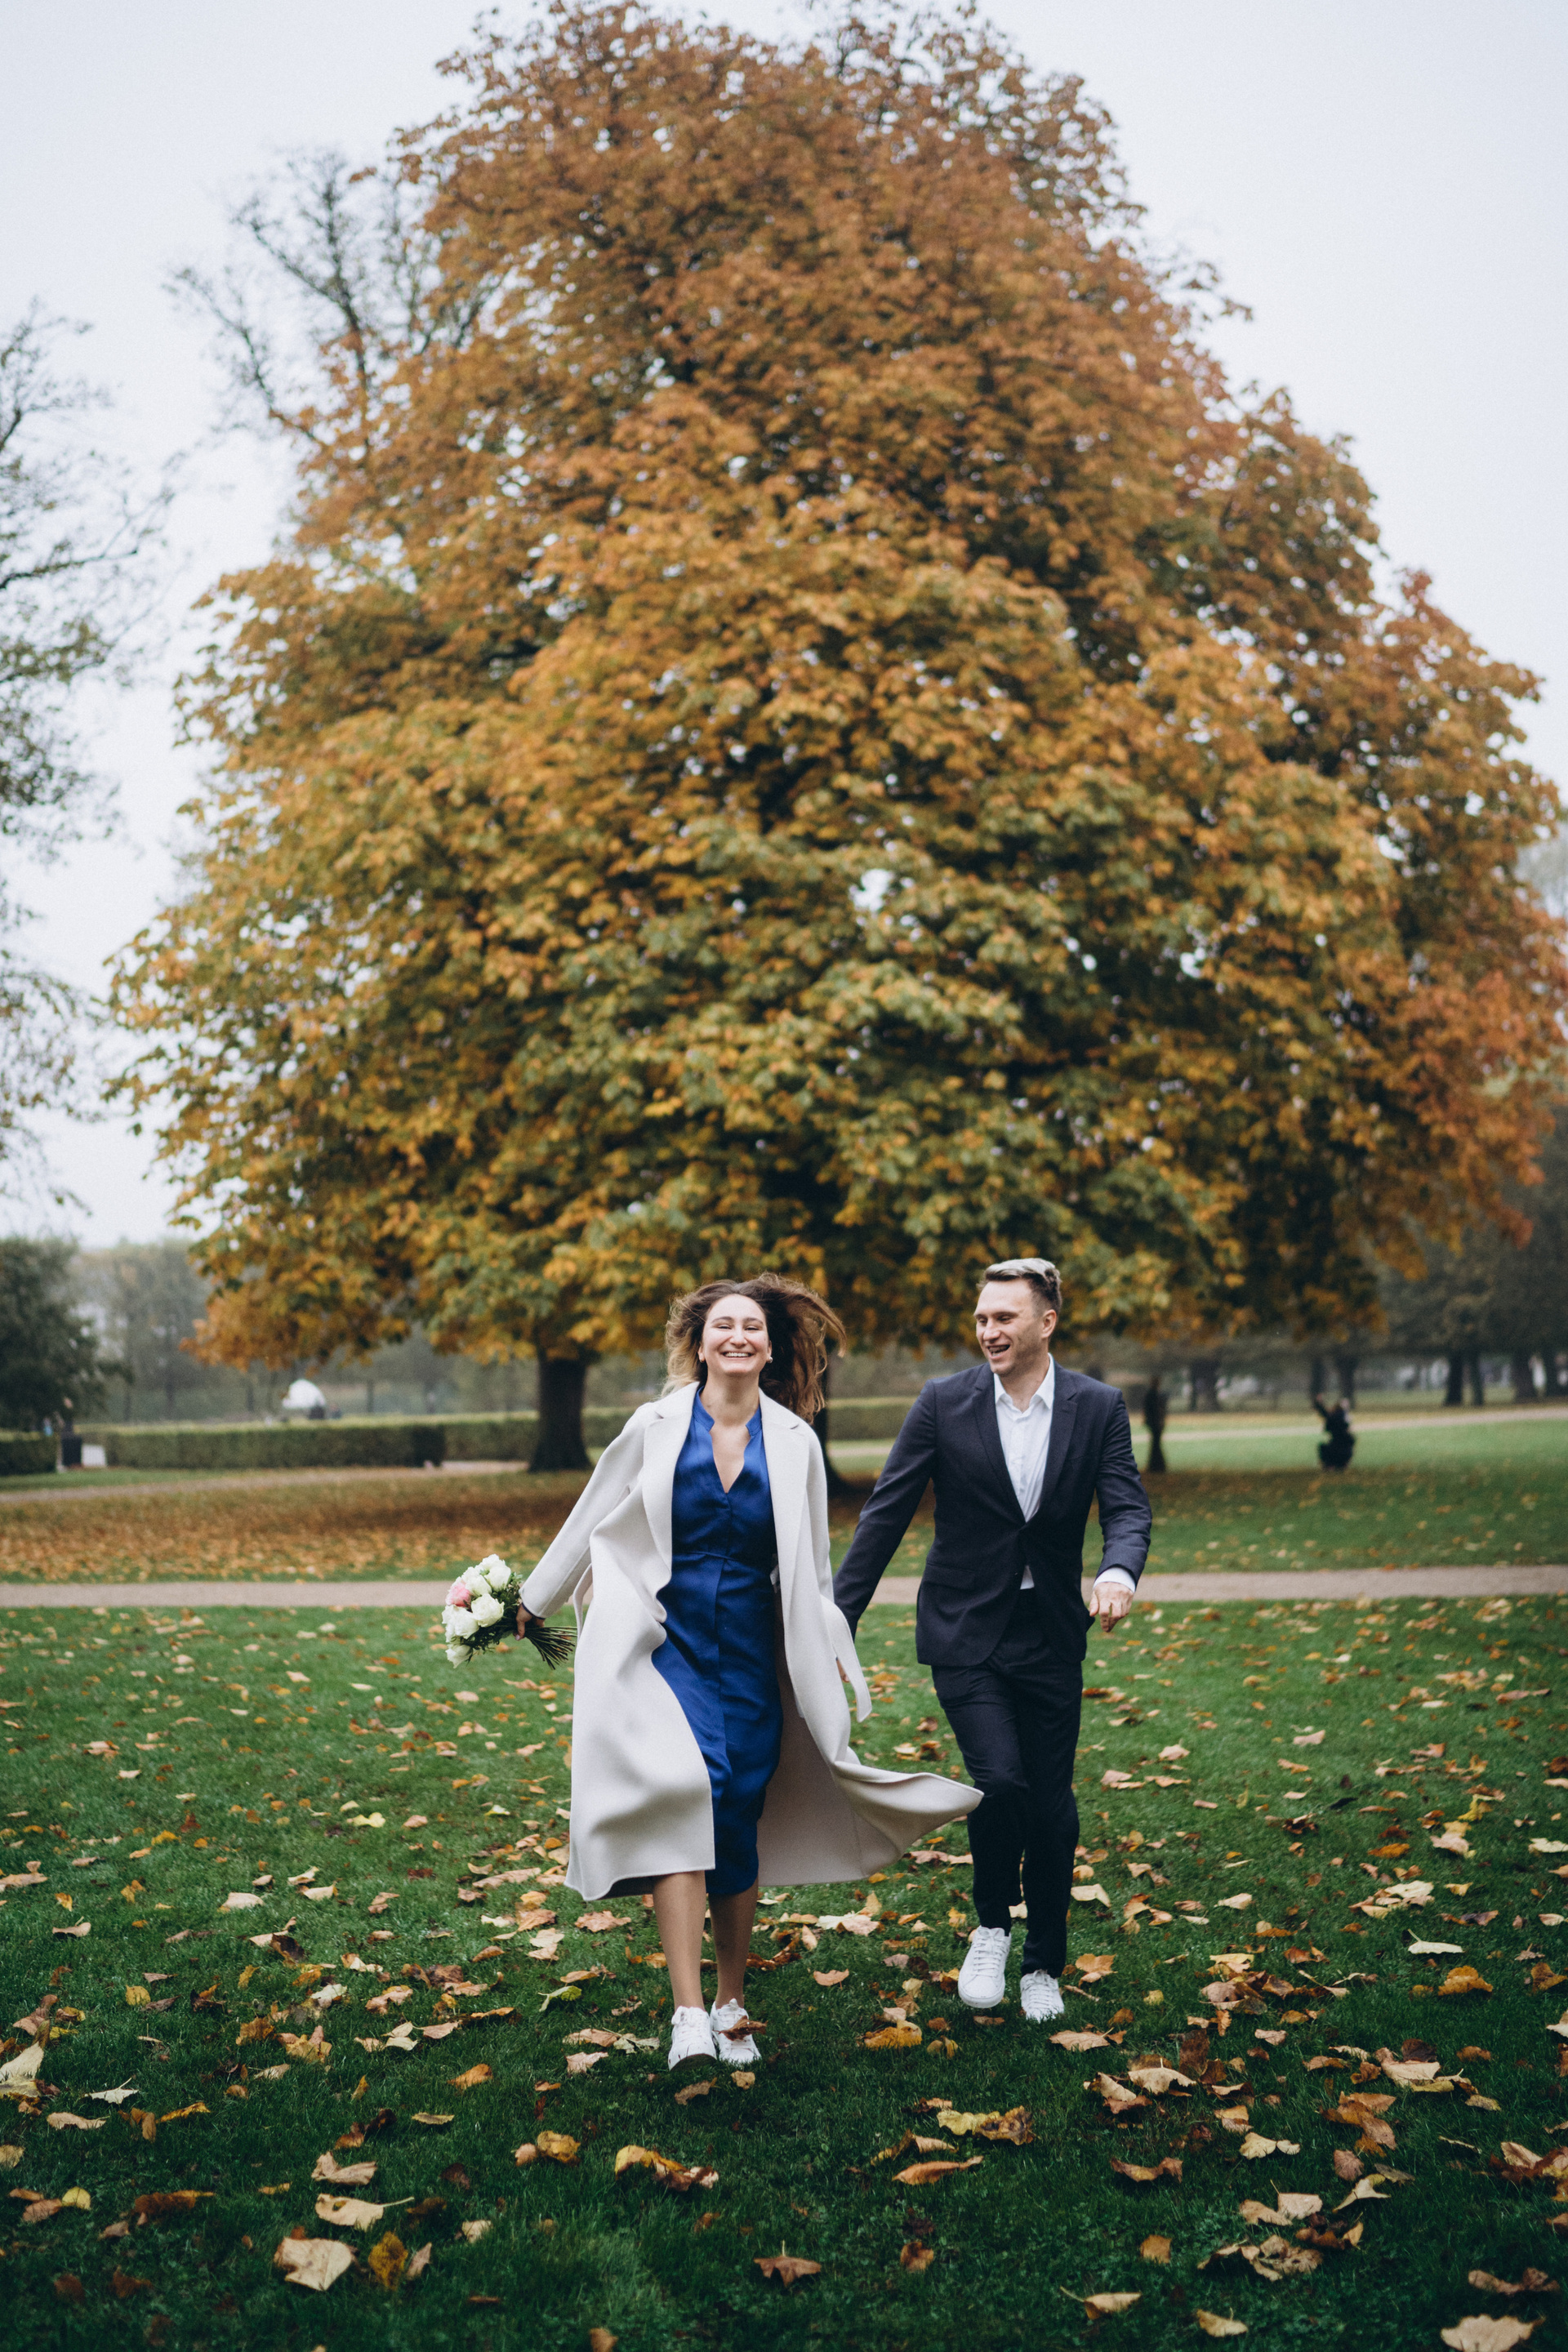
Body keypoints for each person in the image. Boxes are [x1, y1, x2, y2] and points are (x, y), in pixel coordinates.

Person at [516, 1274, 980, 2071]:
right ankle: (687, 2013)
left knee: (735, 1807)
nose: (738, 1336)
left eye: (753, 1327)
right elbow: (590, 1514)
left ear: (770, 1348)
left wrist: (831, 1653)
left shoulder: (796, 1441)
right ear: (699, 1344)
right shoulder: (655, 1425)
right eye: (723, 1325)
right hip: (664, 1644)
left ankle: (732, 2001)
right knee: (684, 1789)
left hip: (753, 1651)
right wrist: (529, 1602)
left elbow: (810, 1566)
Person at [832, 1258, 1152, 2023]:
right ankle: (992, 1927)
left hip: (1050, 1633)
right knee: (1000, 1782)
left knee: (1051, 1803)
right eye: (981, 1318)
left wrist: (1117, 1572)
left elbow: (1126, 1505)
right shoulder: (944, 1402)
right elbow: (887, 1511)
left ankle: (1044, 1963)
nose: (989, 1330)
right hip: (964, 1628)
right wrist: (838, 1619)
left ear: (1047, 1323)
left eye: (1004, 1317)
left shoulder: (1097, 1406)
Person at [1312, 1393, 1355, 1472]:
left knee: (1324, 1448)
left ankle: (1331, 1465)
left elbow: (1326, 1414)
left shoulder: (1334, 1417)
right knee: (1335, 1449)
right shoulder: (1344, 1417)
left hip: (1337, 1448)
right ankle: (1341, 1465)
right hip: (1345, 1450)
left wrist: (1319, 1403)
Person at [1143, 1374, 1169, 1476]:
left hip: (1155, 1422)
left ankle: (1156, 1465)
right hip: (1155, 1423)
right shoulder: (1153, 1395)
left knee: (1155, 1443)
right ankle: (1158, 1466)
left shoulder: (1154, 1395)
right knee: (1156, 1444)